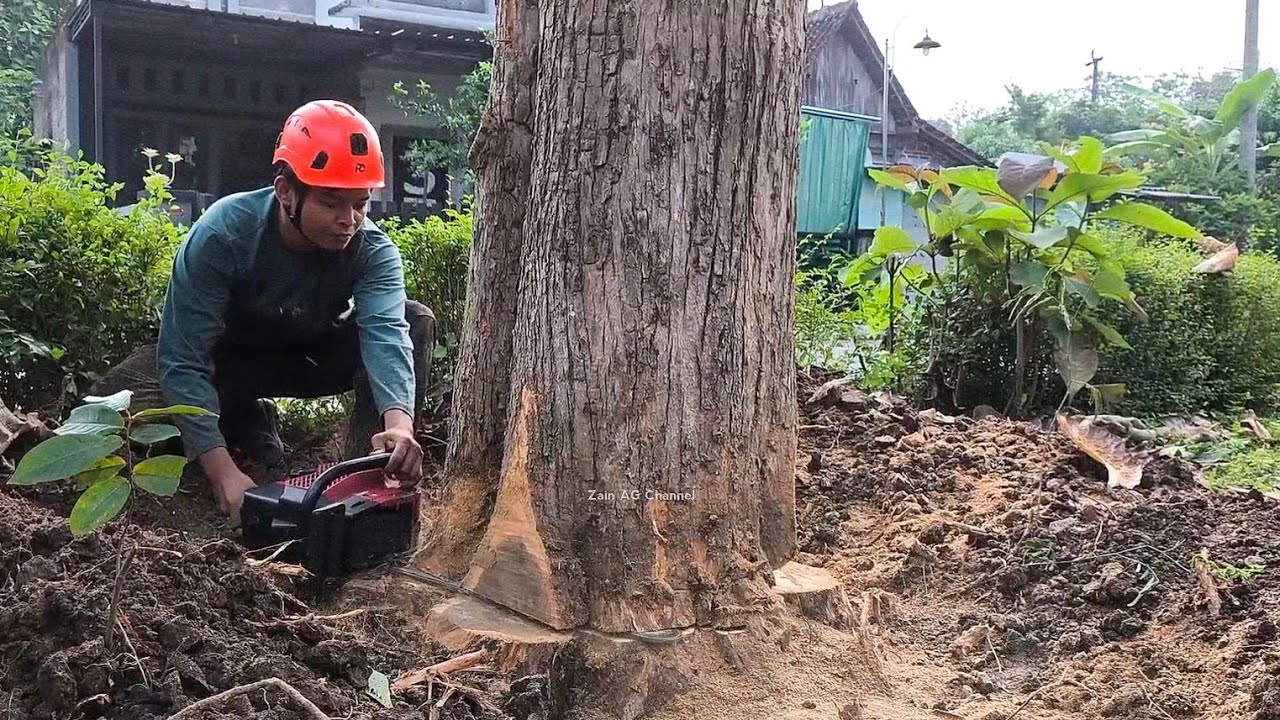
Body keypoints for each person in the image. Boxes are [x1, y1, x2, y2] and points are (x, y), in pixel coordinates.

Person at [153, 100, 432, 524]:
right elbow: (183, 359)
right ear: (286, 192)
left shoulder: (374, 252)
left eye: (360, 204)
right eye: (332, 203)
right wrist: (222, 471)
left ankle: (366, 480)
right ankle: (246, 424)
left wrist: (400, 426)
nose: (349, 220)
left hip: (308, 358)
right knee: (133, 415)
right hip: (226, 364)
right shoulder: (223, 233)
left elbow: (387, 334)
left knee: (415, 319)